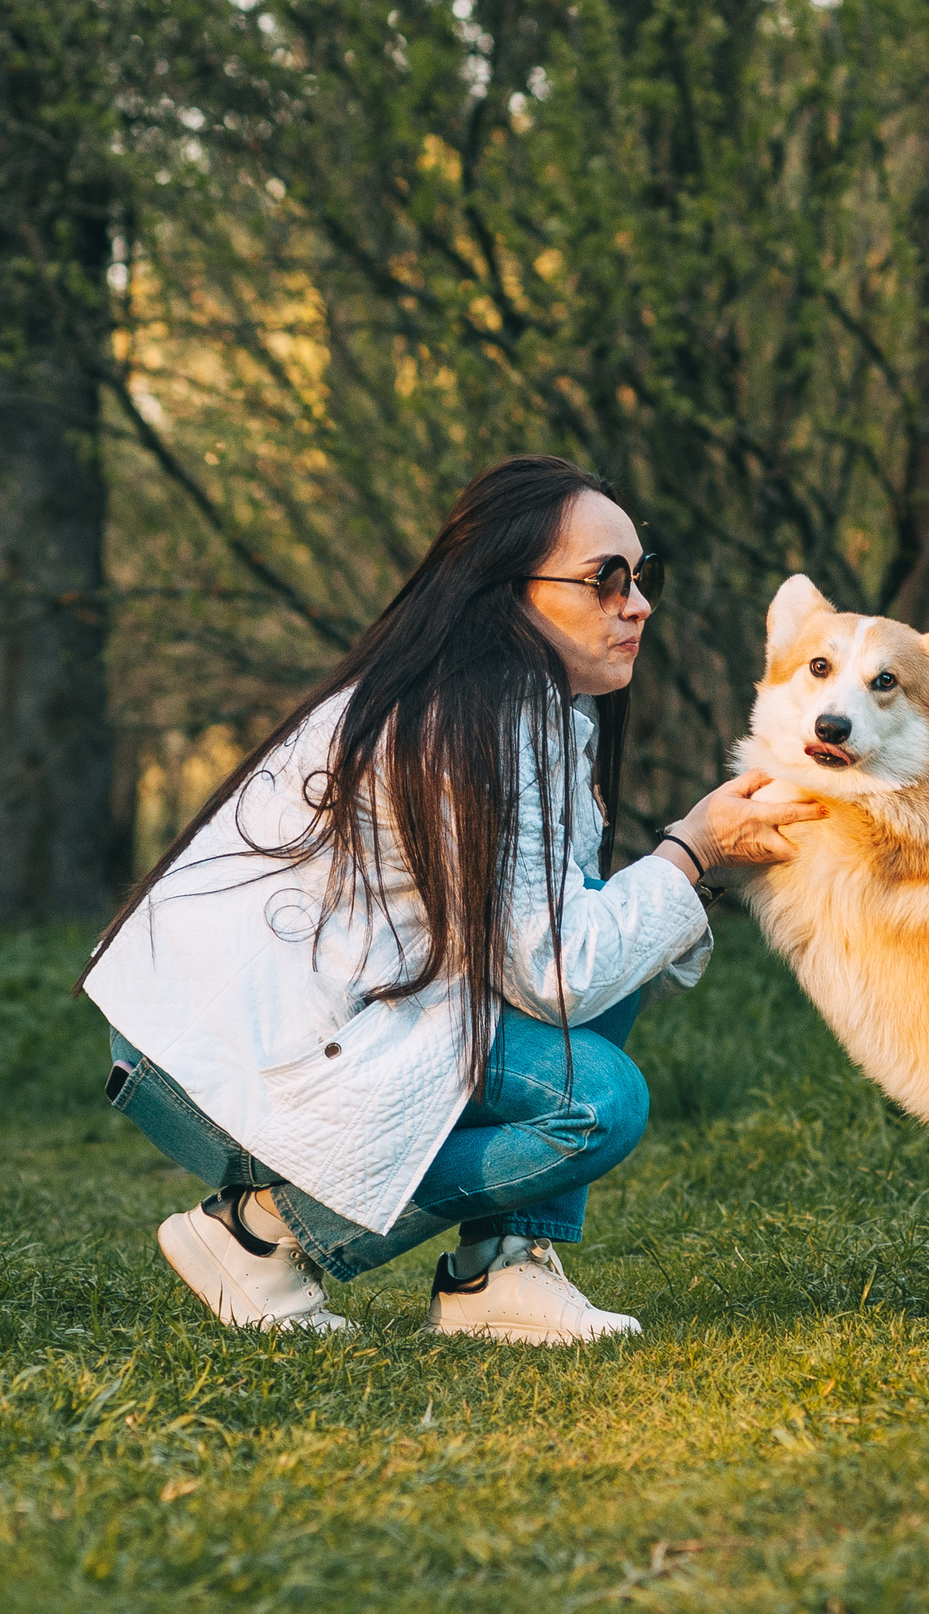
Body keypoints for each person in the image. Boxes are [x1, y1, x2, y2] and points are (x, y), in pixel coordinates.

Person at [80, 455, 820, 1344]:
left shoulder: (525, 707)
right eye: (605, 579)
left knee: (603, 914)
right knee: (600, 1102)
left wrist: (677, 870)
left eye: (642, 575)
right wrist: (689, 850)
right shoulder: (467, 725)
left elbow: (565, 943)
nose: (638, 603)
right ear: (508, 593)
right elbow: (558, 970)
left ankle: (497, 1271)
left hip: (289, 1028)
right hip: (208, 1057)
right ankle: (261, 1233)